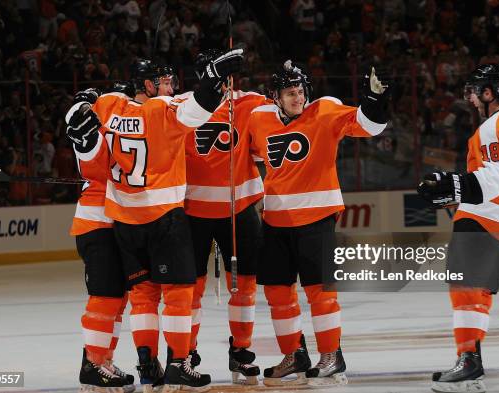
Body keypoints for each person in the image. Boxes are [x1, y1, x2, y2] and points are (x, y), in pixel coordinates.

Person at [66, 50, 244, 392]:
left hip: (121, 221)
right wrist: (212, 82)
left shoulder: (107, 106)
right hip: (160, 217)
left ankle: (144, 363)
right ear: (147, 84)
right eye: (164, 81)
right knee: (175, 292)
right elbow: (198, 109)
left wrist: (82, 105)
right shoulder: (162, 110)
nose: (171, 86)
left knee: (138, 296)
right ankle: (176, 364)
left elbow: (87, 156)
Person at [247, 60, 390, 386]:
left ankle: (331, 356)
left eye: (300, 91)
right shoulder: (258, 118)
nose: (298, 98)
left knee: (320, 293)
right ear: (275, 97)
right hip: (275, 220)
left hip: (317, 217)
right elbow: (252, 154)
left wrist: (375, 102)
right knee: (277, 293)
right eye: (290, 93)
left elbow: (370, 127)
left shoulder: (326, 110)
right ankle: (294, 355)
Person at [417, 64, 499, 393]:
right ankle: (471, 360)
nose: (473, 98)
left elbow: (491, 181)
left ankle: (468, 362)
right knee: (478, 292)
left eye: (477, 91)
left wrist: (452, 183)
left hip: (484, 217)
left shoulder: (490, 127)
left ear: (490, 93)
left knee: (464, 286)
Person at [182, 49, 269, 385]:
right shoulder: (182, 106)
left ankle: (242, 351)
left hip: (240, 210)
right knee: (189, 289)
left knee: (245, 286)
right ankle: (185, 352)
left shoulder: (250, 103)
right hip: (193, 213)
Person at [67, 84, 135, 393]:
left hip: (116, 222)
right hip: (97, 223)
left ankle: (103, 360)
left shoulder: (122, 129)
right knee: (106, 296)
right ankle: (91, 366)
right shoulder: (92, 127)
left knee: (118, 300)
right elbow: (87, 151)